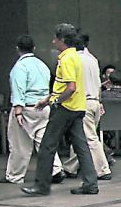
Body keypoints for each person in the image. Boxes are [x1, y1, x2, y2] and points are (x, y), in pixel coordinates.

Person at [21, 24, 99, 196]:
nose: (53, 41)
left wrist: (56, 101)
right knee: (81, 147)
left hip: (65, 108)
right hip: (78, 107)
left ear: (62, 40)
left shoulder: (66, 59)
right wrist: (48, 99)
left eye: (55, 38)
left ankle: (42, 185)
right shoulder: (76, 57)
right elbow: (65, 86)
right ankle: (91, 182)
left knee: (47, 146)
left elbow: (70, 87)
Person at [0, 35, 65, 185]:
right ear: (34, 48)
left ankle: (15, 175)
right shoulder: (42, 65)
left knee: (20, 144)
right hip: (43, 107)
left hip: (26, 108)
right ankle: (55, 169)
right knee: (44, 141)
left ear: (17, 49)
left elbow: (18, 89)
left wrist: (18, 111)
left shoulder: (20, 67)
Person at [62, 33, 112, 182]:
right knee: (80, 136)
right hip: (94, 101)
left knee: (89, 138)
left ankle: (102, 169)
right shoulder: (93, 60)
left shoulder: (74, 60)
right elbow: (97, 84)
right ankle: (71, 167)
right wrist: (100, 102)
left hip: (83, 102)